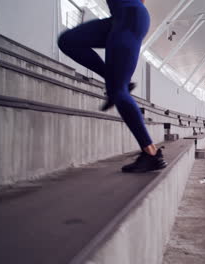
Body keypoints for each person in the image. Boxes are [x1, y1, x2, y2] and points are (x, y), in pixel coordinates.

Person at [57, 0, 167, 173]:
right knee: (67, 40)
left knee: (119, 91)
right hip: (119, 19)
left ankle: (151, 154)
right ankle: (113, 80)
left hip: (129, 18)